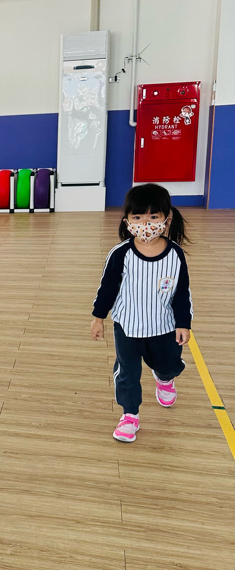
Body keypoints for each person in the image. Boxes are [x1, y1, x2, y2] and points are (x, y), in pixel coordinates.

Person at [91, 183, 192, 443]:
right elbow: (107, 288)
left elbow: (182, 293)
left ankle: (165, 379)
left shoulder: (175, 255)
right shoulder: (120, 254)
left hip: (164, 327)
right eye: (137, 217)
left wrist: (183, 323)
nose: (145, 224)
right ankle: (129, 415)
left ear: (167, 220)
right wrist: (98, 318)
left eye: (153, 216)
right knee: (127, 373)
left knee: (169, 365)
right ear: (127, 221)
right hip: (128, 326)